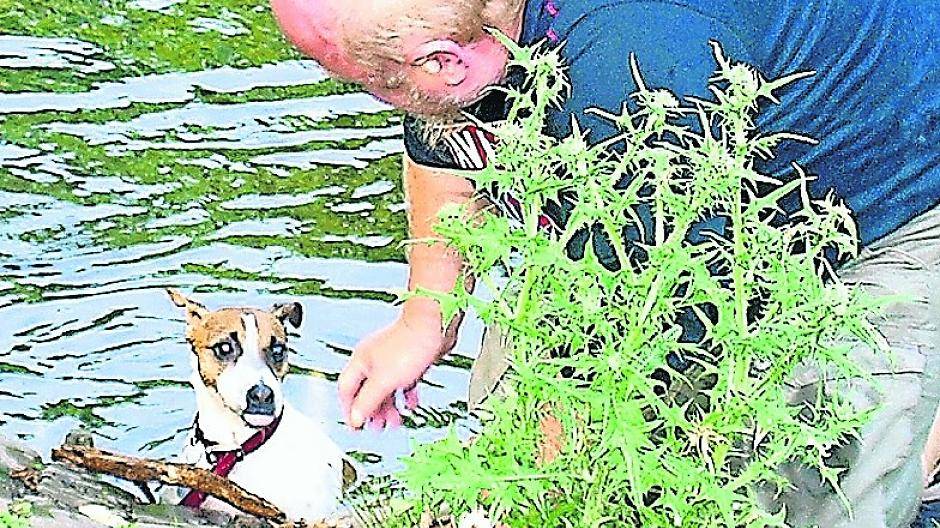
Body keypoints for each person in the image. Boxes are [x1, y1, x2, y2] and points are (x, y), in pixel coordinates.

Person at [269, 0, 939, 526]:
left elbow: (651, 324)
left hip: (893, 208)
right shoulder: (464, 25)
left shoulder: (635, 62)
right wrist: (423, 320)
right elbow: (441, 136)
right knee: (509, 410)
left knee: (809, 475)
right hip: (693, 203)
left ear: (446, 62)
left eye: (371, 85)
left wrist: (544, 488)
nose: (373, 100)